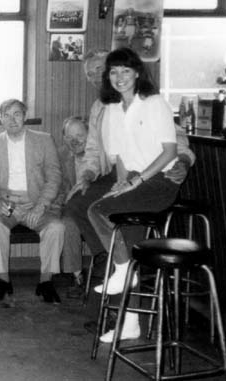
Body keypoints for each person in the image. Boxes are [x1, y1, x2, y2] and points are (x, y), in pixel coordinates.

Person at [64, 49, 195, 289]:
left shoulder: (151, 102)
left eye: (101, 69)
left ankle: (119, 264)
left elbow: (175, 142)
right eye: (91, 73)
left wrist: (184, 161)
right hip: (115, 173)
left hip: (152, 175)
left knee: (107, 212)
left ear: (135, 72)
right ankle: (107, 255)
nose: (97, 75)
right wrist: (87, 175)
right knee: (76, 204)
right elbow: (94, 149)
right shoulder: (103, 107)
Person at [87, 47, 183, 343]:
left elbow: (170, 151)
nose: (119, 77)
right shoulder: (113, 109)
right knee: (124, 237)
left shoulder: (154, 103)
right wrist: (120, 185)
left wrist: (136, 181)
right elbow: (118, 158)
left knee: (97, 211)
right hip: (133, 181)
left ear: (138, 72)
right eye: (113, 72)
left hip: (160, 182)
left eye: (125, 71)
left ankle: (124, 269)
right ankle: (130, 324)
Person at [0, 99, 64, 304]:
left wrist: (41, 206)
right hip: (6, 205)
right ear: (1, 119)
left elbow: (54, 176)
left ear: (25, 116)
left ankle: (46, 281)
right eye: (7, 115)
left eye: (17, 114)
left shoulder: (44, 140)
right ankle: (2, 279)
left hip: (35, 204)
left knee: (55, 227)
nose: (12, 119)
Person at [56, 116, 90, 299]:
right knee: (68, 223)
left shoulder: (101, 155)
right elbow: (58, 188)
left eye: (79, 135)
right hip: (72, 207)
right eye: (69, 136)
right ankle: (78, 277)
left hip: (98, 205)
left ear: (89, 135)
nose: (74, 141)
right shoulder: (60, 156)